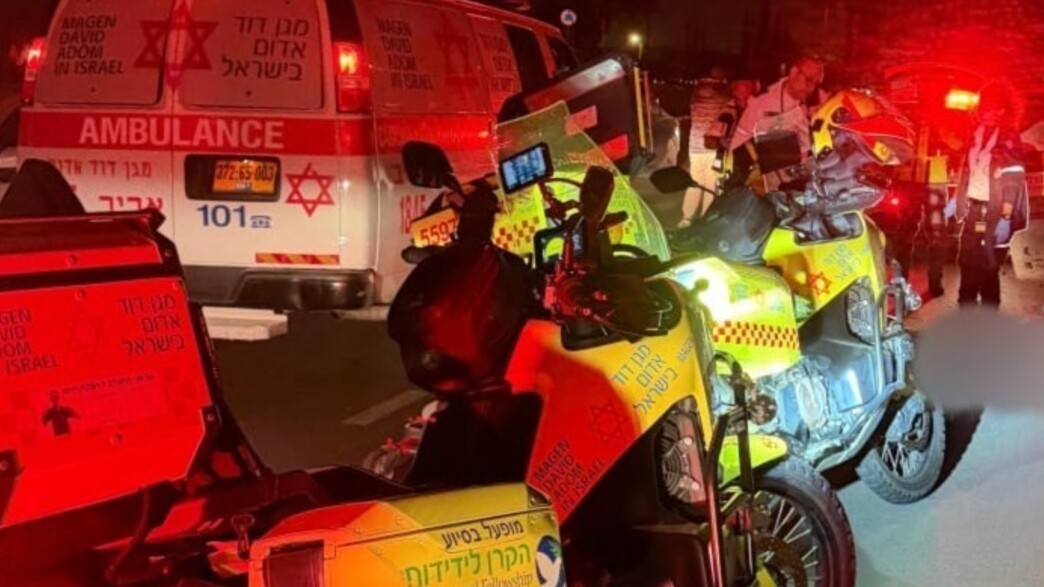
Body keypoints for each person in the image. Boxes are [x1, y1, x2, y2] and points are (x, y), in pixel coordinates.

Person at [949, 82, 1029, 308]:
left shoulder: (1009, 138)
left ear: (1003, 111)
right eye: (983, 109)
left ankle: (989, 313)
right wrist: (957, 199)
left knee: (989, 265)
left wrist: (1006, 217)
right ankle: (965, 310)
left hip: (995, 211)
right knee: (967, 262)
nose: (986, 114)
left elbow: (1012, 181)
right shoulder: (976, 134)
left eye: (992, 110)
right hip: (974, 210)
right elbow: (969, 170)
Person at [728, 55, 826, 193]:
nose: (812, 88)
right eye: (809, 80)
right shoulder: (762, 102)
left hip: (806, 184)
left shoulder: (822, 100)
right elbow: (738, 145)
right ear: (793, 72)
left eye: (816, 83)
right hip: (767, 185)